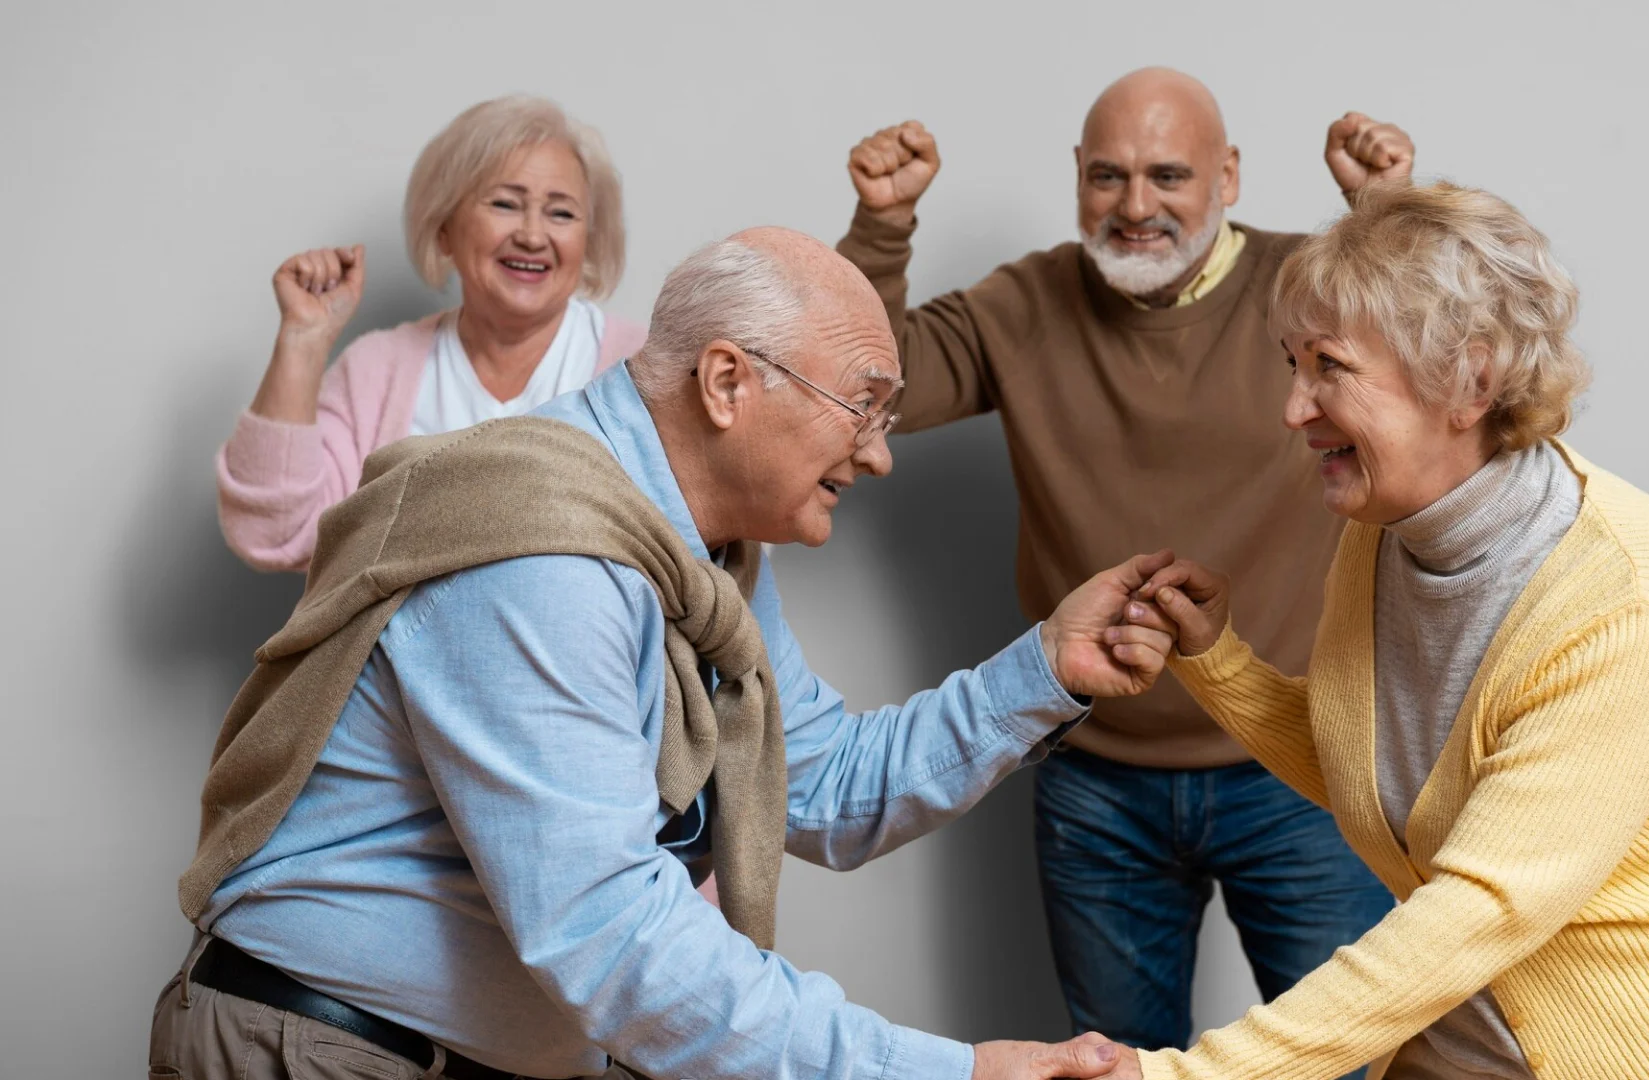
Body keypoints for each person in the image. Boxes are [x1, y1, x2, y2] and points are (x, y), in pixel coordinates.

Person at [153, 225, 1178, 1080]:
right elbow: (611, 930)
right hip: (332, 1049)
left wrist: (1048, 667)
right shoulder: (542, 552)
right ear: (728, 382)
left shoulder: (704, 563)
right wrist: (948, 1071)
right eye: (864, 406)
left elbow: (821, 786)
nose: (878, 452)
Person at [1108, 180, 1649, 1079]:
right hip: (1468, 1044)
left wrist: (1186, 1075)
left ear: (1469, 379)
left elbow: (1480, 904)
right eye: (1292, 364)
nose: (1294, 408)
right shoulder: (1382, 537)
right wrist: (1217, 661)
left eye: (1330, 367)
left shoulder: (1621, 601)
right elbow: (1387, 775)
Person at [835, 67, 1402, 1058]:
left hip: (1297, 766)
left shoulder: (1304, 292)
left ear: (1227, 174)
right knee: (1110, 1071)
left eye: (1168, 174)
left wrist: (1386, 217)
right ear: (1078, 178)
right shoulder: (1028, 302)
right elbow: (872, 387)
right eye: (1108, 177)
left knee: (1349, 1061)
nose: (1135, 206)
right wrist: (883, 229)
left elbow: (1426, 367)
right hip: (1094, 777)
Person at [216, 94, 647, 572]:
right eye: (505, 203)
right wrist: (303, 340)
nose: (531, 235)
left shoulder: (642, 368)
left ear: (589, 238)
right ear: (444, 228)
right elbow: (273, 534)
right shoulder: (376, 370)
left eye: (561, 213)